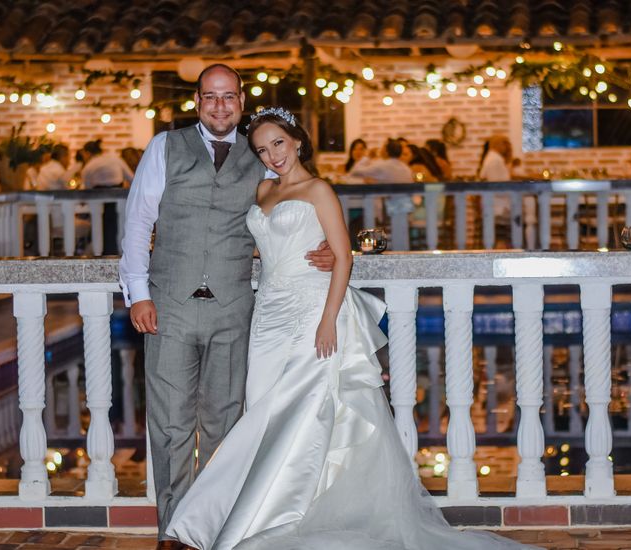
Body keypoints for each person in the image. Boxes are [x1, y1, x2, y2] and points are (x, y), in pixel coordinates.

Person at [165, 107, 534, 550]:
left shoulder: (319, 189)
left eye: (278, 143)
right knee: (263, 413)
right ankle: (265, 512)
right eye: (263, 148)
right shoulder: (261, 189)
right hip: (267, 315)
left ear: (297, 141)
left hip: (313, 312)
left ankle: (272, 520)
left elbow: (343, 257)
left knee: (301, 411)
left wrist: (327, 321)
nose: (273, 154)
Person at [119, 65, 334, 549]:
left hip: (236, 308)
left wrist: (327, 249)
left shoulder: (262, 156)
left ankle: (213, 526)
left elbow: (295, 209)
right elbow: (137, 224)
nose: (220, 106)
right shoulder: (164, 147)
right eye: (210, 97)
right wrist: (139, 294)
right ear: (197, 100)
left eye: (229, 97)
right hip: (168, 306)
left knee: (225, 423)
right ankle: (173, 530)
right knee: (170, 423)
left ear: (241, 100)